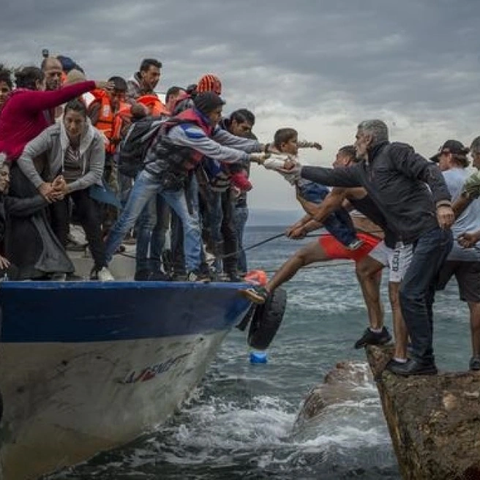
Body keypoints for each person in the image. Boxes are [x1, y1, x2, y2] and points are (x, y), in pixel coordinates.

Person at [297, 119, 454, 376]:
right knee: (420, 296)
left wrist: (443, 202)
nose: (355, 141)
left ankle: (422, 360)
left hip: (432, 232)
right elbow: (330, 175)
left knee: (409, 294)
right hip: (413, 237)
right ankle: (424, 359)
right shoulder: (363, 170)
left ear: (368, 139)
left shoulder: (395, 152)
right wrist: (296, 169)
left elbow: (430, 170)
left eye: (358, 136)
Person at [104, 92, 270, 281]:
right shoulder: (186, 130)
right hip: (151, 177)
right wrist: (252, 158)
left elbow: (231, 140)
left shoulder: (208, 126)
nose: (220, 117)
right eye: (217, 112)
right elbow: (216, 150)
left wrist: (264, 147)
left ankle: (195, 269)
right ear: (206, 112)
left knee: (191, 224)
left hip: (172, 181)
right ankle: (101, 264)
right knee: (127, 221)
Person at [241, 145, 393, 349]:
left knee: (301, 256)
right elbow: (332, 208)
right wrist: (300, 226)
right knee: (369, 286)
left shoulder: (348, 181)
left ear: (347, 161)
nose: (333, 163)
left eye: (337, 158)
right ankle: (377, 329)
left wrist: (302, 226)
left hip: (359, 239)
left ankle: (266, 290)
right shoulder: (367, 178)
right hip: (376, 242)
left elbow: (324, 211)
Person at [18, 99, 114, 281]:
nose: (72, 126)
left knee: (91, 218)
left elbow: (96, 173)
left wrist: (69, 188)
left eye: (78, 121)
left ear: (86, 120)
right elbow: (24, 154)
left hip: (81, 182)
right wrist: (41, 184)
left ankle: (101, 266)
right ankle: (59, 267)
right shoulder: (52, 133)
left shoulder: (95, 138)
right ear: (63, 119)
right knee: (60, 222)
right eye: (69, 120)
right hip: (56, 181)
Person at [260, 128, 363, 250]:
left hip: (318, 183)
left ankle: (353, 236)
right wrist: (283, 165)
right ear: (283, 145)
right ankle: (348, 240)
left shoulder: (294, 153)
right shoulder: (279, 158)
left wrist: (312, 144)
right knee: (327, 216)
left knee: (337, 208)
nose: (297, 145)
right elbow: (267, 162)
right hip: (306, 188)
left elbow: (302, 143)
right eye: (294, 142)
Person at [430, 140, 480, 371]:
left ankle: (419, 352)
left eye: (439, 158)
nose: (438, 164)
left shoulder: (443, 180)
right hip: (475, 249)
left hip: (447, 246)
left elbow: (441, 212)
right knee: (476, 304)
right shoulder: (473, 177)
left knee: (419, 295)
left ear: (448, 155)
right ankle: (477, 357)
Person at [0, 66, 107, 162]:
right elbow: (58, 96)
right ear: (38, 84)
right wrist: (92, 84)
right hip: (15, 161)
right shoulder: (25, 97)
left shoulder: (22, 101)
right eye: (45, 83)